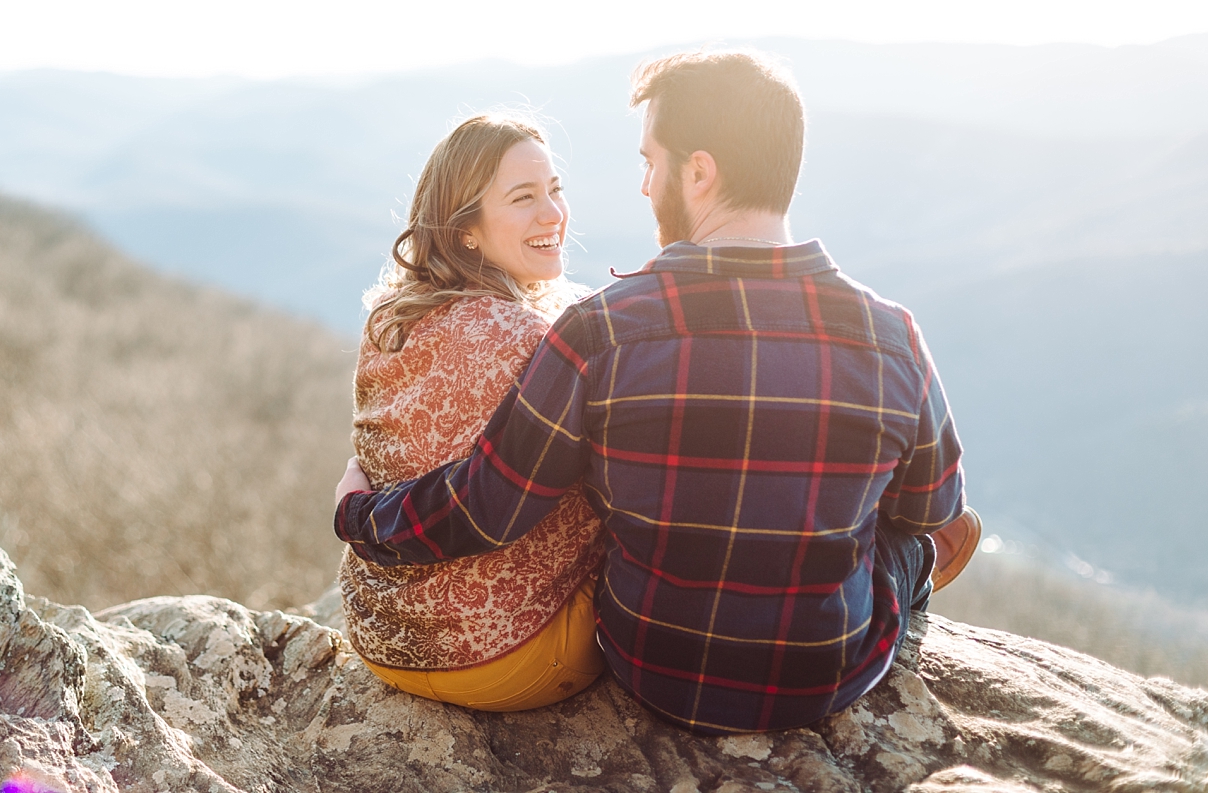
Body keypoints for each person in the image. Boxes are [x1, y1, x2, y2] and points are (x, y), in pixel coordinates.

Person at [335, 50, 981, 735]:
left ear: (698, 172)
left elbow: (489, 508)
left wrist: (359, 516)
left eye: (651, 161)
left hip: (656, 670)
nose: (644, 185)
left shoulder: (598, 329)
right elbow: (928, 506)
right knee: (932, 533)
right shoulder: (891, 334)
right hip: (828, 675)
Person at [337, 113, 605, 712]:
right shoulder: (535, 340)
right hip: (511, 659)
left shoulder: (391, 316)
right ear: (468, 233)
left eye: (555, 190)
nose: (552, 214)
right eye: (523, 198)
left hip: (383, 641)